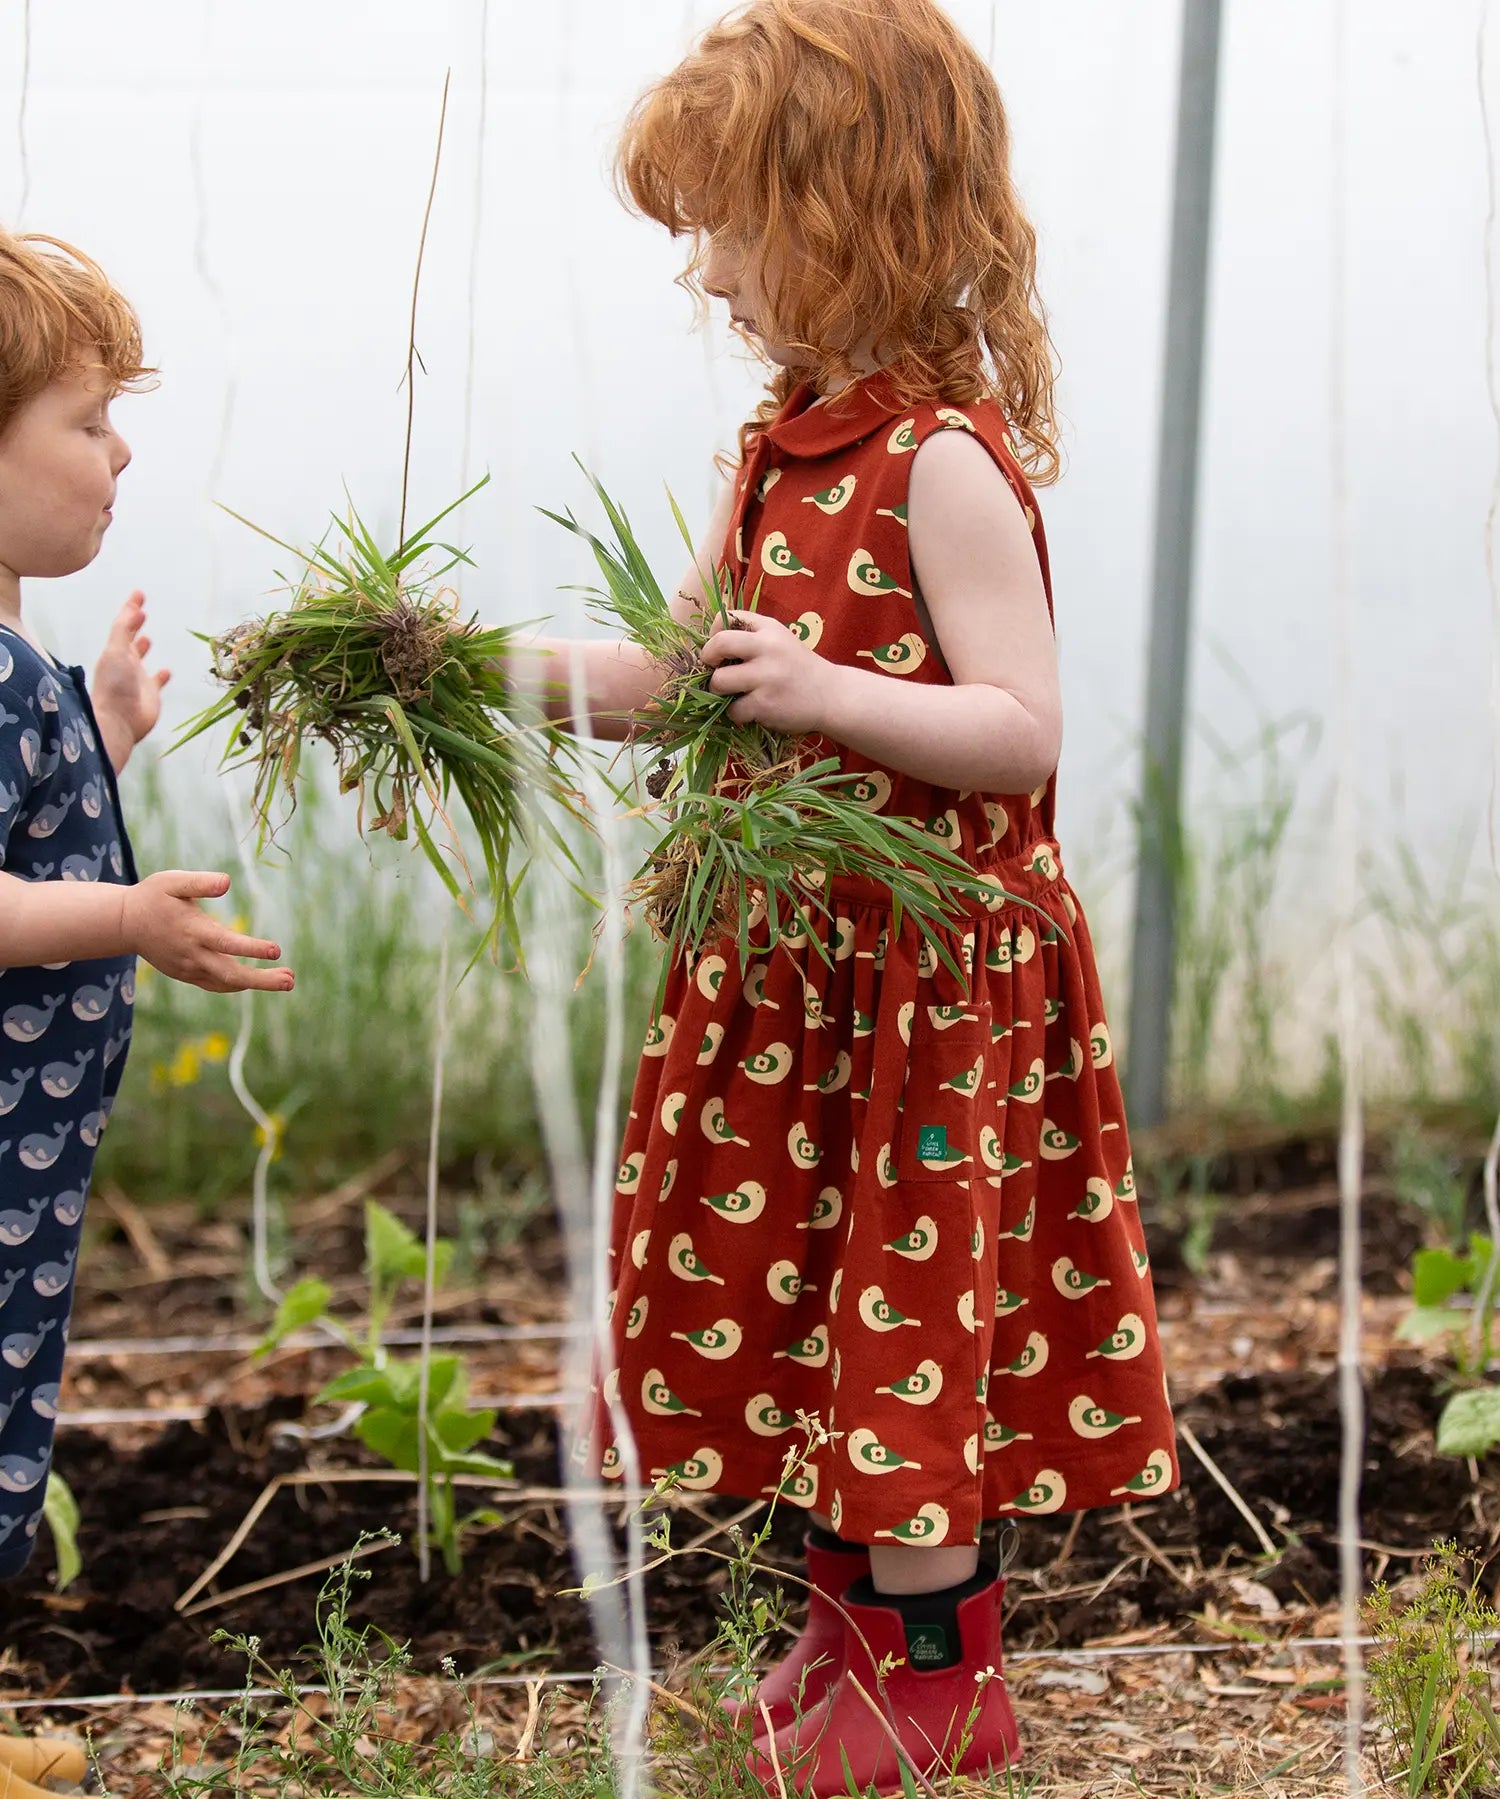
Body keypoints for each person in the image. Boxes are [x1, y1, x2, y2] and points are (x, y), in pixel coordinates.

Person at [521, 3, 1178, 1788]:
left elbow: (1019, 730)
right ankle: (848, 1634)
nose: (711, 270)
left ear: (852, 208)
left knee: (915, 1302)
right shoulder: (777, 447)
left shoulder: (942, 460)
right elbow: (687, 675)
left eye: (732, 224)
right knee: (822, 1298)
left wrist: (826, 697)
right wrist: (476, 671)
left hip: (931, 981)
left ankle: (941, 1680)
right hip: (805, 963)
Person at [0, 228, 294, 1603]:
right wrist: (128, 916)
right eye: (89, 419)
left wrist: (101, 732)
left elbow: (25, 843)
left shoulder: (21, 670)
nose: (120, 455)